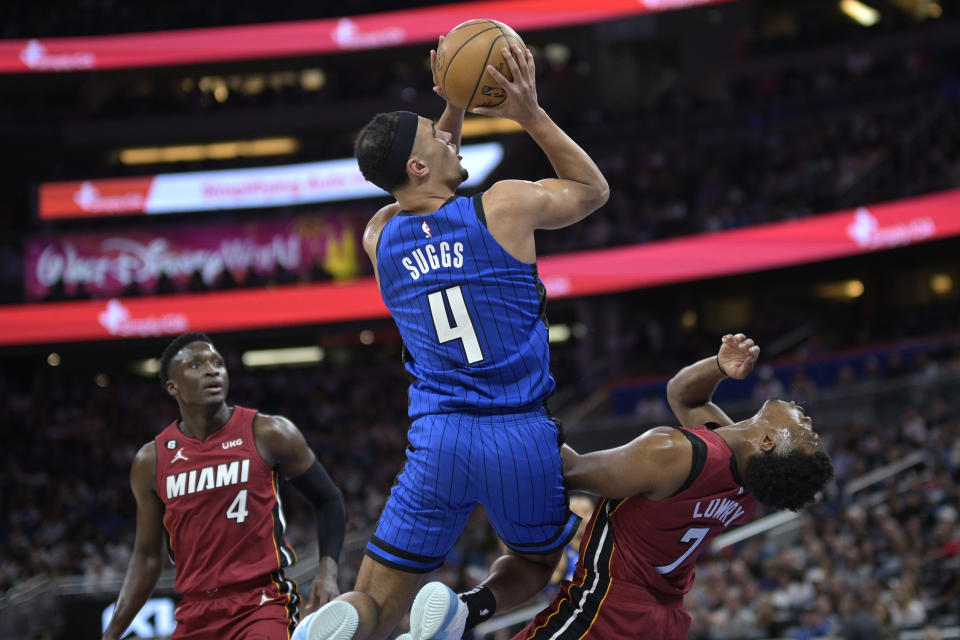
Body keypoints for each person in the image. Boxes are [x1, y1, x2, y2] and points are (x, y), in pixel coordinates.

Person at [301, 36, 609, 640]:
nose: (447, 137)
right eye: (435, 140)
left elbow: (424, 181)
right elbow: (593, 191)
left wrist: (455, 110)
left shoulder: (379, 235)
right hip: (519, 432)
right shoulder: (504, 206)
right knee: (534, 560)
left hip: (439, 435)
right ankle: (465, 610)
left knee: (376, 599)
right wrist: (529, 113)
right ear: (417, 166)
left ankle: (337, 628)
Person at [511, 333, 835, 640]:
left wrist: (515, 401)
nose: (808, 421)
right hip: (664, 621)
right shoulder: (749, 488)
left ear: (767, 442)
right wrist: (718, 367)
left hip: (607, 610)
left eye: (807, 435)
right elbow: (683, 396)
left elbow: (570, 469)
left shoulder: (675, 454)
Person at [101, 332, 347, 640]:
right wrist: (112, 633)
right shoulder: (151, 461)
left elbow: (329, 501)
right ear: (172, 386)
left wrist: (328, 571)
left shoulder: (269, 433)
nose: (211, 370)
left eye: (217, 362)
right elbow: (149, 556)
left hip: (262, 603)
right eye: (195, 365)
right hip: (195, 611)